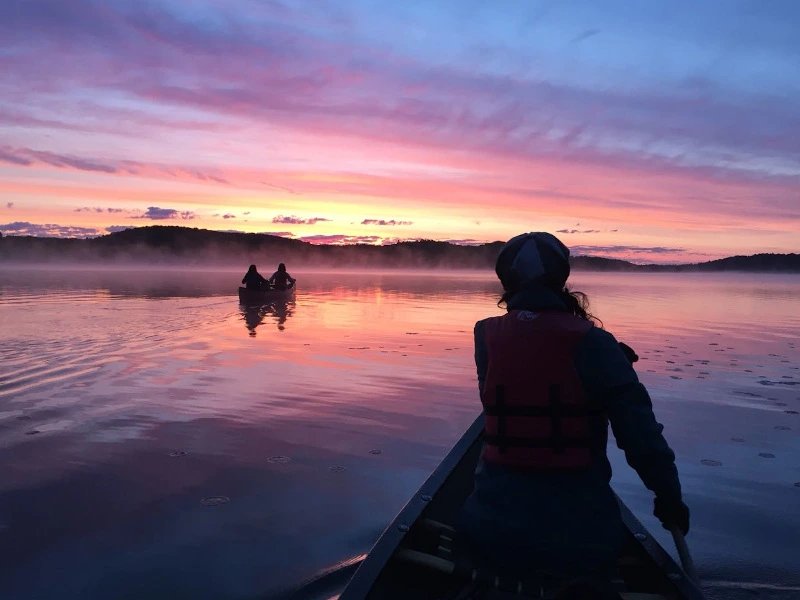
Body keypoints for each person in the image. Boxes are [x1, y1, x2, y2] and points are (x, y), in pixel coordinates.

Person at [457, 232, 689, 596]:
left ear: (506, 280)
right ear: (562, 278)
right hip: (579, 542)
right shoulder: (596, 343)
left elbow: (520, 374)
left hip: (490, 532)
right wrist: (670, 499)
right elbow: (642, 439)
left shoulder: (485, 336)